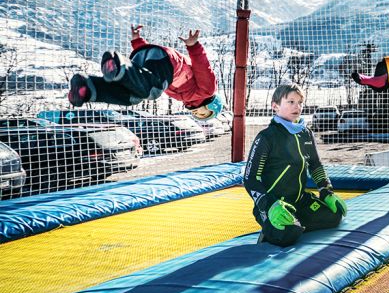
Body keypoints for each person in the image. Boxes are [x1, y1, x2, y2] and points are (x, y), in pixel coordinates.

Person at [243, 83, 346, 247]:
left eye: (300, 102)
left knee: (335, 215)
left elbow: (315, 165)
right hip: (273, 204)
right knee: (289, 234)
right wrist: (268, 205)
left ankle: (296, 220)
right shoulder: (266, 137)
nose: (297, 106)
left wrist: (326, 191)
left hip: (299, 200)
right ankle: (278, 224)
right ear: (275, 106)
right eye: (291, 102)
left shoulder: (306, 133)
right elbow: (250, 179)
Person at [67, 24, 224, 121]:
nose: (198, 112)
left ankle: (87, 89)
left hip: (145, 58)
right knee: (153, 91)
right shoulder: (207, 90)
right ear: (212, 104)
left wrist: (137, 41)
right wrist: (193, 46)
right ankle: (119, 66)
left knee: (134, 97)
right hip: (168, 60)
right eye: (204, 113)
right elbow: (202, 66)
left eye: (198, 116)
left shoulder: (180, 97)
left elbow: (149, 71)